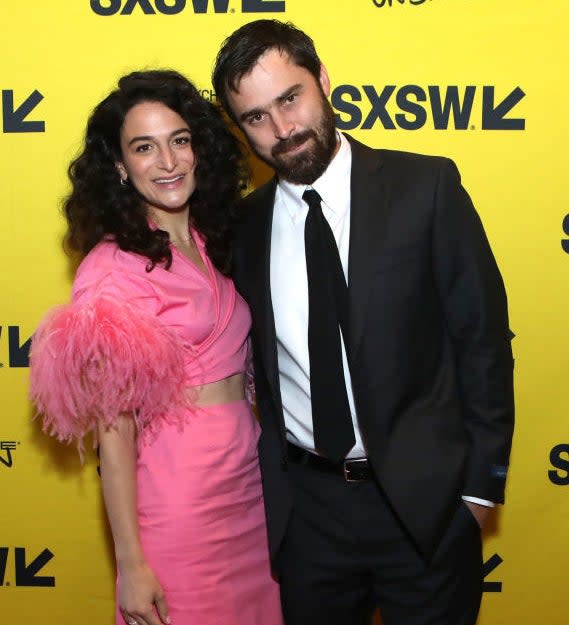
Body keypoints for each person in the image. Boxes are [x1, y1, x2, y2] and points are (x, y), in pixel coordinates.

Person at [212, 20, 515, 625]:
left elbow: (482, 342)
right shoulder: (241, 229)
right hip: (307, 515)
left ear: (322, 80)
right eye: (255, 118)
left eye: (290, 98)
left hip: (424, 505)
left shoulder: (424, 187)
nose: (282, 129)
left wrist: (480, 490)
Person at [29, 70, 283, 625]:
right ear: (120, 167)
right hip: (180, 498)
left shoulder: (214, 243)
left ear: (199, 149)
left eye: (179, 140)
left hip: (251, 486)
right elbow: (113, 434)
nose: (167, 162)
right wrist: (130, 564)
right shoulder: (110, 272)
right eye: (144, 147)